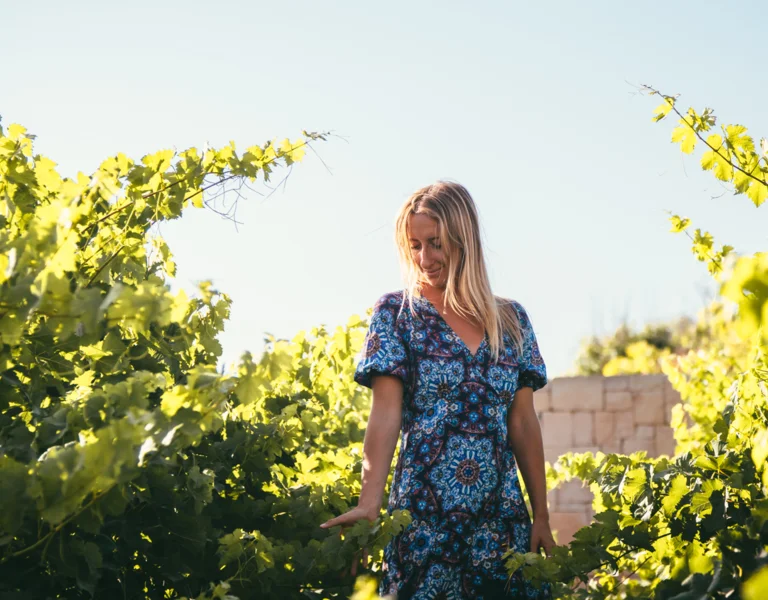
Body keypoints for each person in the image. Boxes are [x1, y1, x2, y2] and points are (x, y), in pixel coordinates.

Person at [320, 181, 555, 599]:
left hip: (501, 522)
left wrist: (542, 516)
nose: (424, 258)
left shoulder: (512, 320)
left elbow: (522, 422)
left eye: (435, 244)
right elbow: (386, 413)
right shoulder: (397, 312)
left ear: (464, 241)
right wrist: (369, 503)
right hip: (423, 521)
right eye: (414, 245)